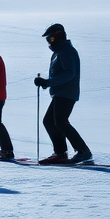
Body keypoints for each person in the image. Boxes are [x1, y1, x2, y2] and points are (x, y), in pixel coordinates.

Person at [34, 23, 92, 165]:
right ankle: (60, 153)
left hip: (66, 93)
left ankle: (83, 151)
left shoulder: (66, 51)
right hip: (60, 92)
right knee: (50, 121)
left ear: (58, 36)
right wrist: (46, 83)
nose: (49, 42)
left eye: (50, 39)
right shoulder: (59, 52)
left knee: (60, 122)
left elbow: (69, 74)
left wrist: (48, 82)